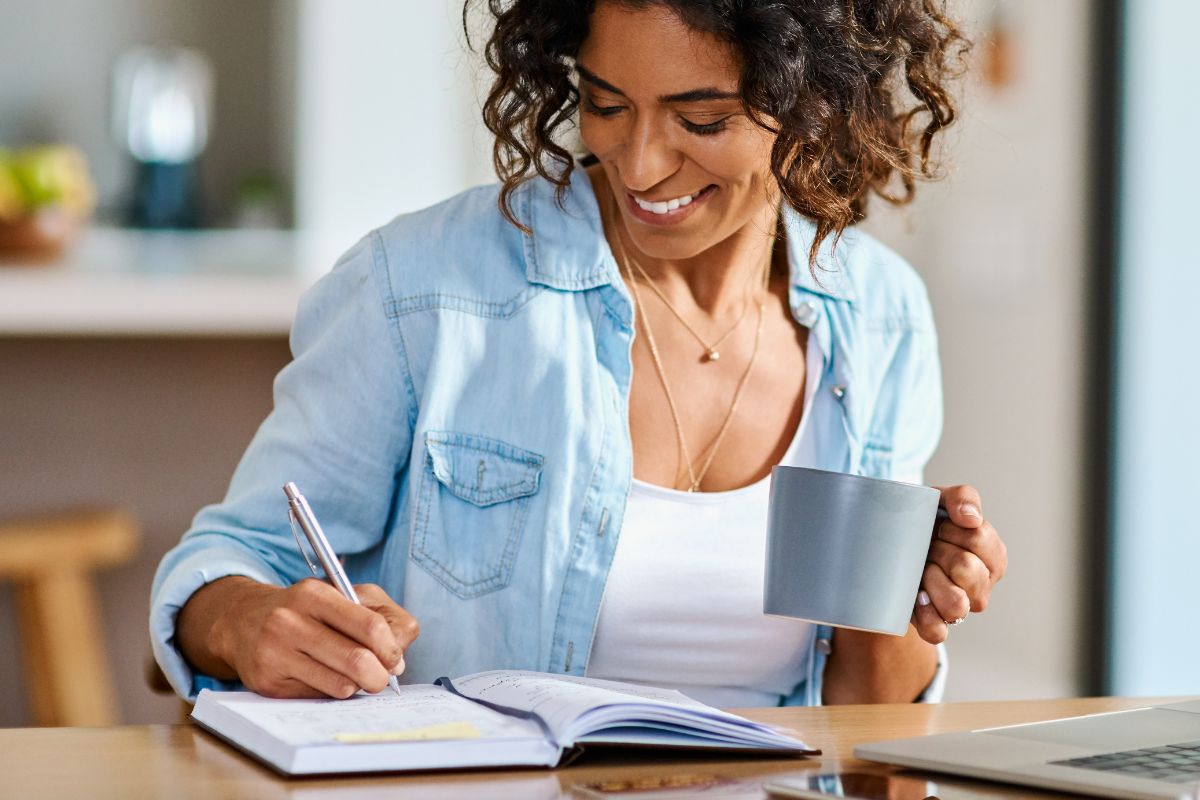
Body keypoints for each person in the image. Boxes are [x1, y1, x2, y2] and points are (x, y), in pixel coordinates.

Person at [151, 0, 1008, 708]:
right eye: (605, 104)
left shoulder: (879, 321)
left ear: (818, 102)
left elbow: (867, 729)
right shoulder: (423, 289)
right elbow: (216, 576)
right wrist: (247, 621)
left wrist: (914, 600)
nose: (638, 164)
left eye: (700, 119)